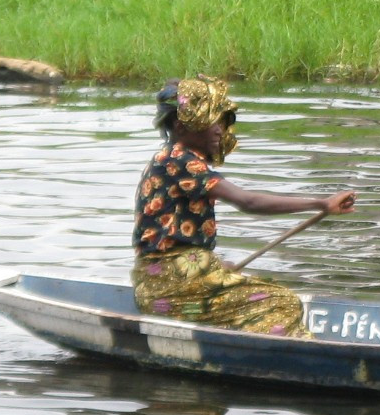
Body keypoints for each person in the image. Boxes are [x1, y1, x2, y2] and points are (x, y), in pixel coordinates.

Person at [132, 75, 355, 338]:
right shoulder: (179, 161)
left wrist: (211, 268)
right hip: (169, 287)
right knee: (283, 302)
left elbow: (176, 242)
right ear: (181, 127)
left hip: (166, 281)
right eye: (212, 121)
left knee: (270, 298)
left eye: (221, 121)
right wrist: (320, 203)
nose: (219, 129)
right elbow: (247, 201)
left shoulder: (172, 158)